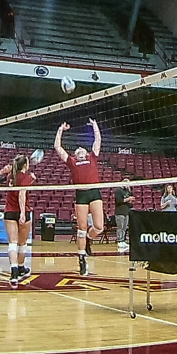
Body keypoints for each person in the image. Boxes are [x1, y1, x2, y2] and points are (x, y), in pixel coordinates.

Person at [55, 118, 105, 276]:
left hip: (94, 192)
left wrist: (95, 126)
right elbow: (57, 147)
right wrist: (61, 129)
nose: (80, 150)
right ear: (76, 155)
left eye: (82, 150)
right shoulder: (72, 161)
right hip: (81, 195)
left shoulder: (92, 157)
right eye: (78, 151)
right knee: (81, 229)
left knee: (99, 227)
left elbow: (98, 140)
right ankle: (82, 258)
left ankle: (89, 240)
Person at [4, 152, 35, 287]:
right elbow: (22, 194)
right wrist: (23, 213)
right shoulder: (26, 177)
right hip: (23, 211)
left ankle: (15, 271)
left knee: (12, 243)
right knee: (22, 244)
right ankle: (21, 267)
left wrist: (31, 180)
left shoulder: (10, 176)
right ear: (26, 165)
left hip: (9, 211)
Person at [114, 175, 134, 253]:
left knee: (125, 227)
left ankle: (123, 240)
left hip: (126, 211)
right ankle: (119, 240)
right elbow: (119, 201)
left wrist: (130, 200)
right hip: (120, 212)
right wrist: (127, 199)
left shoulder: (127, 191)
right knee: (120, 227)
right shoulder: (118, 190)